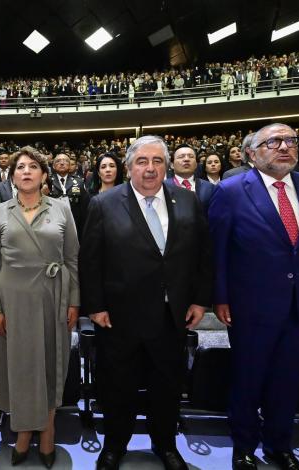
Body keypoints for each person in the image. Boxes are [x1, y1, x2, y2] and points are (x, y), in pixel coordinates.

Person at [80, 135, 212, 470]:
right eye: (142, 161)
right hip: (120, 316)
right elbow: (90, 260)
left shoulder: (187, 200)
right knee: (117, 386)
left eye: (157, 161)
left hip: (173, 314)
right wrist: (95, 306)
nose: (150, 168)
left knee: (167, 385)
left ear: (166, 166)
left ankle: (166, 445)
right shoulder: (104, 204)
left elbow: (202, 254)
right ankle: (114, 446)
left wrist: (199, 300)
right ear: (128, 167)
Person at [209, 123, 299, 470]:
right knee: (248, 377)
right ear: (251, 153)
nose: (284, 147)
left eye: (290, 140)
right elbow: (218, 250)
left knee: (288, 379)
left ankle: (280, 444)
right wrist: (221, 296)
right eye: (273, 142)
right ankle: (244, 446)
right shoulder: (232, 190)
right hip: (249, 303)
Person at [0, 146, 79, 468]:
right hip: (14, 299)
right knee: (21, 366)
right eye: (19, 167)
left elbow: (72, 259)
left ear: (43, 174)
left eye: (33, 166)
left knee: (51, 361)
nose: (26, 171)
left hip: (54, 294)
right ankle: (23, 430)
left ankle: (48, 428)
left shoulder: (62, 208)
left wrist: (75, 301)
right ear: (11, 176)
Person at [165, 144, 216, 210]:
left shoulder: (209, 187)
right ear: (172, 165)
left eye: (191, 157)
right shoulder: (163, 187)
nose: (186, 159)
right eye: (181, 157)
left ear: (196, 164)